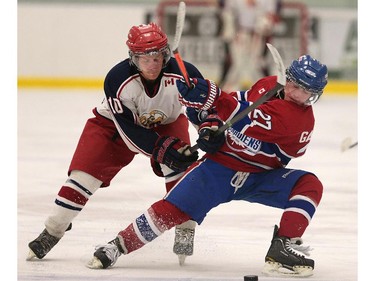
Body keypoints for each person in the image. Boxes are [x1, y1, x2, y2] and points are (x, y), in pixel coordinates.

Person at [86, 54, 328, 277]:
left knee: (309, 185)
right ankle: (117, 246)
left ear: (314, 95)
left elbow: (241, 114)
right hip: (219, 169)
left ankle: (282, 246)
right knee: (170, 210)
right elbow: (235, 102)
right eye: (294, 85)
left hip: (261, 176)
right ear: (287, 78)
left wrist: (210, 95)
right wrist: (207, 120)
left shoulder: (298, 121)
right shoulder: (268, 85)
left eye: (305, 92)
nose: (296, 93)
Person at [26, 22, 203, 265]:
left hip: (167, 122)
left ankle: (185, 227)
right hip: (114, 127)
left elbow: (203, 108)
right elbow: (130, 133)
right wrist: (164, 149)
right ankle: (53, 230)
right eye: (144, 58)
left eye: (157, 57)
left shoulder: (184, 73)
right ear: (133, 58)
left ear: (165, 54)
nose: (152, 64)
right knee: (82, 179)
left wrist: (208, 128)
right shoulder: (117, 79)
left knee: (182, 175)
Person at [220, 0, 282, 91]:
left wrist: (264, 28)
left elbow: (271, 16)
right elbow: (228, 13)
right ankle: (229, 90)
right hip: (240, 33)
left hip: (258, 35)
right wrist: (232, 32)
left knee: (257, 63)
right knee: (237, 62)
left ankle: (263, 90)